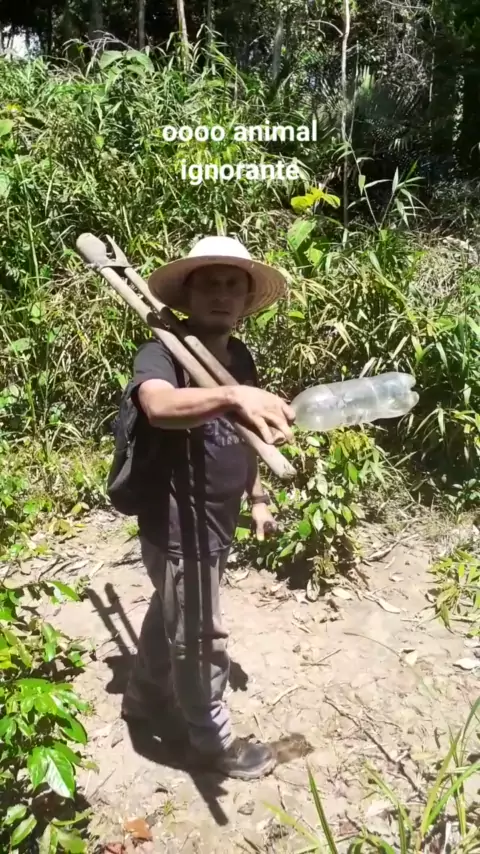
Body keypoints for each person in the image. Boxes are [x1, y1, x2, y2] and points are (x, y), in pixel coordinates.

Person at [120, 235, 295, 780]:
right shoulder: (163, 350)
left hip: (217, 520)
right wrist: (231, 395)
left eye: (232, 286)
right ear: (188, 296)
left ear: (245, 300)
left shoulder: (239, 356)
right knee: (200, 636)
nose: (221, 295)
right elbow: (158, 406)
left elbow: (248, 432)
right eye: (210, 284)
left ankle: (144, 697)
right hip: (178, 523)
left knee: (170, 611)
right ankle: (212, 743)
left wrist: (257, 497)